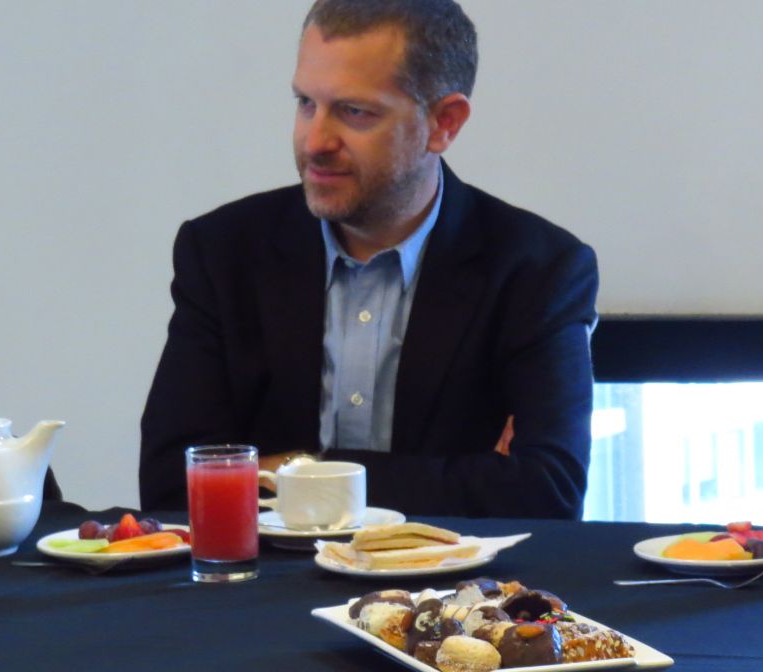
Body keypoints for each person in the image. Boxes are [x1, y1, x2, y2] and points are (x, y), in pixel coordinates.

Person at [139, 0, 598, 519]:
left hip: (446, 570)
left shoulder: (538, 268)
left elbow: (546, 494)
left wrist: (290, 469)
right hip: (267, 571)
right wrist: (463, 476)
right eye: (306, 103)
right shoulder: (223, 251)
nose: (315, 141)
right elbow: (171, 488)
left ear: (444, 123)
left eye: (355, 112)